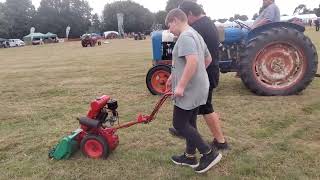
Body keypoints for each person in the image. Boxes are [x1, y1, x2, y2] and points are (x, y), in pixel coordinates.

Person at [165, 8, 222, 173]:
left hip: (190, 89)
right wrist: (174, 77)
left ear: (175, 20)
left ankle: (208, 153)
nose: (169, 29)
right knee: (190, 122)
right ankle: (190, 156)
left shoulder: (185, 37)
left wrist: (181, 85)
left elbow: (191, 62)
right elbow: (208, 59)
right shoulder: (195, 34)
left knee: (179, 124)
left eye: (169, 25)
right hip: (199, 87)